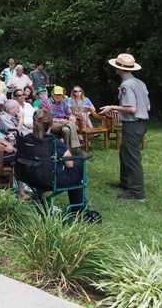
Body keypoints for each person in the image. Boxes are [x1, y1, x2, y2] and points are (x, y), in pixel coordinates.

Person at [99, 53, 150, 202]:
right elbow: (147, 106)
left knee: (132, 159)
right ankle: (125, 183)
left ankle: (137, 193)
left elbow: (132, 108)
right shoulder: (140, 83)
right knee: (125, 154)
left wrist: (112, 107)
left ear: (119, 68)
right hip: (139, 125)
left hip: (132, 125)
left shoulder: (126, 85)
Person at [15, 109, 86, 211]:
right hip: (48, 180)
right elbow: (69, 164)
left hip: (28, 178)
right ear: (50, 125)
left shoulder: (25, 139)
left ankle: (40, 198)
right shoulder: (53, 142)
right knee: (79, 169)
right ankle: (77, 210)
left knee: (74, 170)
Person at [41, 86, 89, 158]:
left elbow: (70, 115)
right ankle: (77, 149)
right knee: (70, 124)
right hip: (51, 124)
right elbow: (44, 117)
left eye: (60, 95)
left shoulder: (64, 103)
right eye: (56, 94)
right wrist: (58, 120)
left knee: (66, 130)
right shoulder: (45, 102)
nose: (58, 96)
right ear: (52, 93)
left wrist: (72, 118)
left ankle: (67, 152)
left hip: (63, 124)